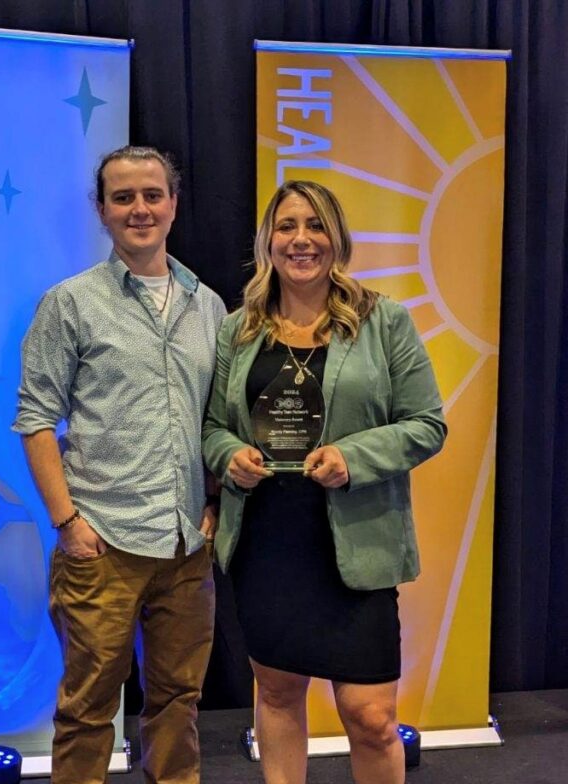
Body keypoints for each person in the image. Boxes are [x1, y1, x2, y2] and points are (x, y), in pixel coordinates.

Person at [202, 181, 447, 784]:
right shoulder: (238, 330)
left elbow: (427, 424)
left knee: (371, 717)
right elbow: (211, 428)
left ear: (337, 238)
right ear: (268, 242)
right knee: (277, 694)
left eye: (315, 225)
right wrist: (230, 455)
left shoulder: (384, 321)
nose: (301, 239)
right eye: (287, 226)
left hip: (358, 544)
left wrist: (352, 457)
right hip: (267, 541)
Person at [14, 145, 226, 784]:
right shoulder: (70, 303)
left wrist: (215, 504)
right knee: (87, 710)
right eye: (123, 197)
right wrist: (68, 523)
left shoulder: (209, 305)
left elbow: (219, 418)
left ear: (174, 204)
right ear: (102, 210)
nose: (140, 209)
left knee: (179, 701)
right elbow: (35, 419)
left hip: (187, 545)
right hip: (101, 544)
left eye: (152, 195)